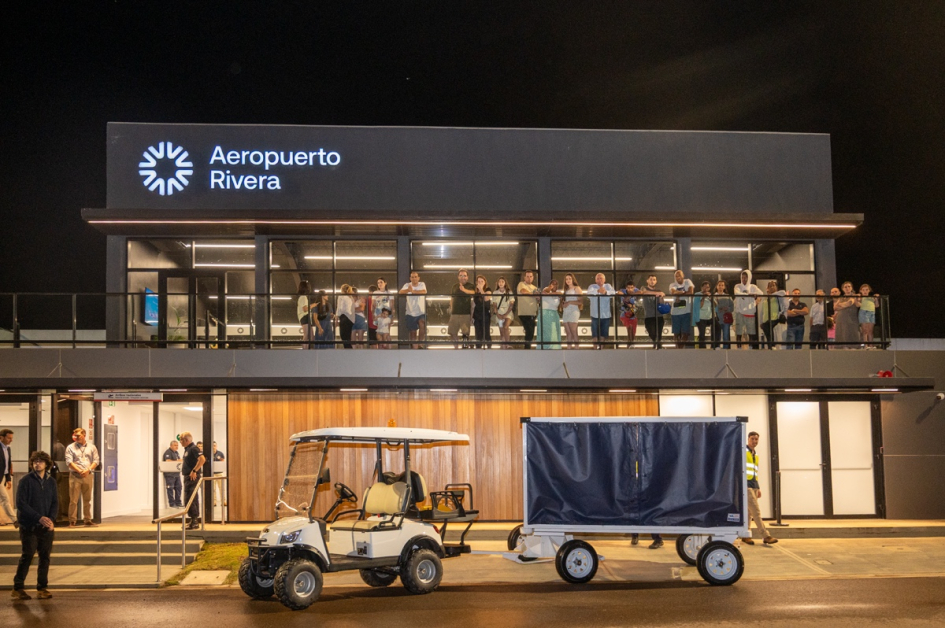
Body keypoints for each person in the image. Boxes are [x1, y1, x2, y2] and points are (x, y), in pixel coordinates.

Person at [12, 450, 57, 601]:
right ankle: (18, 588)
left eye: (40, 461)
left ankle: (42, 588)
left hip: (46, 527)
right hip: (29, 525)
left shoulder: (51, 482)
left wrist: (50, 520)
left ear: (46, 464)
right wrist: (39, 518)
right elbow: (21, 504)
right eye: (35, 461)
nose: (37, 464)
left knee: (45, 557)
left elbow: (55, 503)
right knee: (28, 555)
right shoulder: (26, 481)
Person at [744, 431, 778, 546]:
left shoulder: (755, 454)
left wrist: (758, 487)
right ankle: (765, 535)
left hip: (753, 485)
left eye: (756, 439)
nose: (755, 441)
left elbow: (755, 472)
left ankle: (746, 535)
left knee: (749, 512)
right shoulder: (743, 451)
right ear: (748, 439)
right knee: (756, 511)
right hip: (746, 485)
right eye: (752, 439)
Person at [65, 427, 99, 527]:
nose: (76, 437)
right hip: (75, 475)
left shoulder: (92, 447)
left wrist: (88, 470)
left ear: (84, 435)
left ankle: (87, 519)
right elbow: (69, 462)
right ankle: (72, 520)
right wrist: (79, 471)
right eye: (75, 436)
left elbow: (96, 461)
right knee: (73, 500)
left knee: (87, 499)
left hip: (88, 475)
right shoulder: (70, 447)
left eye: (79, 435)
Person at [179, 432, 205, 530]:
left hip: (192, 477)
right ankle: (192, 519)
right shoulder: (187, 449)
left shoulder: (193, 448)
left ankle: (194, 521)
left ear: (186, 440)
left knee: (191, 498)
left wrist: (194, 470)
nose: (180, 442)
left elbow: (202, 459)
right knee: (189, 498)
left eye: (181, 440)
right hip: (187, 477)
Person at [734, 270, 762, 349]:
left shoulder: (753, 287)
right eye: (742, 278)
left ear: (749, 278)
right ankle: (739, 348)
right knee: (739, 333)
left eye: (746, 278)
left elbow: (761, 293)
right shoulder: (738, 286)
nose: (744, 279)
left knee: (751, 333)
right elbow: (737, 293)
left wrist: (755, 295)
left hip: (750, 312)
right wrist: (749, 295)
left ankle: (751, 348)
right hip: (739, 312)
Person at [586, 273, 615, 349]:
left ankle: (601, 348)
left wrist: (605, 292)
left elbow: (613, 293)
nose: (599, 280)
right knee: (594, 333)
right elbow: (588, 294)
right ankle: (595, 348)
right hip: (595, 314)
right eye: (598, 278)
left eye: (601, 278)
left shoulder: (608, 286)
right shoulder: (592, 286)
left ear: (604, 280)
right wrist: (598, 291)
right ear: (595, 280)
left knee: (604, 333)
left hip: (606, 314)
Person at [449, 269, 476, 348]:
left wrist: (464, 290)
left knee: (465, 333)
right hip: (454, 313)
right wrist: (451, 308)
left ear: (467, 277)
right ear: (458, 277)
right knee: (451, 332)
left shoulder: (470, 285)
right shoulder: (454, 286)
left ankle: (466, 347)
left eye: (464, 275)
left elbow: (473, 293)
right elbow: (452, 298)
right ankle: (456, 348)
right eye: (461, 275)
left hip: (465, 313)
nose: (462, 277)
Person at [400, 272, 427, 349]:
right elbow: (401, 292)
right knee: (413, 332)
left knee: (422, 324)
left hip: (421, 311)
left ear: (418, 278)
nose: (414, 278)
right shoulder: (407, 285)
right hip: (410, 313)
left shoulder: (422, 284)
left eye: (415, 277)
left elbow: (424, 292)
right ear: (410, 278)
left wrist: (413, 291)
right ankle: (414, 348)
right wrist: (408, 290)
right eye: (412, 277)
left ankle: (420, 343)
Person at [669, 270, 695, 348]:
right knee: (676, 333)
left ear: (683, 275)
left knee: (686, 332)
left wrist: (679, 293)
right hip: (675, 312)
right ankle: (677, 348)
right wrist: (683, 293)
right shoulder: (672, 284)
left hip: (686, 311)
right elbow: (673, 292)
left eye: (679, 275)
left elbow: (691, 292)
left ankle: (681, 348)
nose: (678, 277)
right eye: (676, 276)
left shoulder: (688, 282)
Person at [639, 274, 665, 348]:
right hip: (649, 316)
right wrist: (657, 293)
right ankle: (656, 346)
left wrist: (660, 297)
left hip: (659, 316)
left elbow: (661, 303)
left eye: (654, 280)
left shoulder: (659, 291)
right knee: (652, 333)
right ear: (647, 281)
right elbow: (644, 292)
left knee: (659, 336)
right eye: (650, 279)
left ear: (656, 281)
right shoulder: (644, 288)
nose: (652, 281)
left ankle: (657, 349)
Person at [517, 270, 540, 349]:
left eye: (530, 276)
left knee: (531, 332)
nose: (529, 278)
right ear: (524, 277)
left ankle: (528, 348)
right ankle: (527, 349)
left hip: (532, 313)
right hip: (523, 313)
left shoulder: (535, 288)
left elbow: (538, 298)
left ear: (533, 278)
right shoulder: (521, 284)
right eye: (527, 276)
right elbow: (523, 291)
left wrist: (538, 297)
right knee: (529, 331)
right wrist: (534, 294)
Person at [759, 280, 786, 350]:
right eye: (770, 286)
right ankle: (770, 346)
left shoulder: (778, 296)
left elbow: (783, 293)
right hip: (766, 319)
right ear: (767, 288)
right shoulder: (765, 298)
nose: (772, 287)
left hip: (775, 318)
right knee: (766, 328)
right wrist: (760, 321)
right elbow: (762, 311)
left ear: (776, 287)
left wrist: (772, 294)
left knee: (769, 326)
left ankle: (772, 345)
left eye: (773, 285)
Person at [833, 281, 859, 349]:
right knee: (842, 332)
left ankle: (852, 346)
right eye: (845, 287)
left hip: (851, 318)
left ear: (851, 288)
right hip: (841, 318)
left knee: (852, 331)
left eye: (849, 286)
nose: (847, 288)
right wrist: (843, 305)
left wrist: (841, 305)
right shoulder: (841, 297)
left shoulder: (854, 296)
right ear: (843, 289)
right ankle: (843, 346)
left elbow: (849, 303)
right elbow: (835, 307)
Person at [492, 276, 515, 348]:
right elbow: (494, 305)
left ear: (505, 283)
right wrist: (497, 314)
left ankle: (508, 343)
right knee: (501, 330)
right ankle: (503, 345)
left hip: (508, 313)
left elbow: (511, 304)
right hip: (499, 313)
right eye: (499, 282)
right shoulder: (495, 292)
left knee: (506, 326)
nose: (501, 283)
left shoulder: (509, 292)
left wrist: (506, 314)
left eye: (502, 281)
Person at [0, 429, 17, 527]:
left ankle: (14, 520)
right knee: (5, 499)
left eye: (11, 438)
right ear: (1, 437)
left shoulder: (8, 448)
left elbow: (7, 464)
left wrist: (8, 479)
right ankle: (15, 519)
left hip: (3, 477)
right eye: (9, 438)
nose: (11, 440)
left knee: (4, 499)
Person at [539, 279, 561, 349]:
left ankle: (554, 347)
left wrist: (549, 294)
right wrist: (549, 289)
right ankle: (545, 347)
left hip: (554, 314)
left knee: (553, 331)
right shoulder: (546, 289)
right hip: (545, 314)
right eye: (552, 284)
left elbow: (560, 294)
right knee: (545, 331)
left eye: (555, 284)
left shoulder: (558, 292)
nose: (554, 285)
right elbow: (544, 292)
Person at [472, 274, 493, 349]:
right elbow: (473, 305)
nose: (480, 282)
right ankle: (478, 346)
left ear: (485, 282)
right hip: (477, 315)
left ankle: (488, 346)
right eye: (479, 281)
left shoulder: (488, 290)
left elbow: (486, 299)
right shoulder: (475, 292)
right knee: (478, 332)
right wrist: (471, 316)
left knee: (486, 332)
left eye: (482, 281)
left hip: (485, 314)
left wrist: (481, 289)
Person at [372, 277, 393, 347]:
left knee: (387, 332)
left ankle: (389, 348)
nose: (379, 284)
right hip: (378, 312)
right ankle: (381, 349)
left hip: (387, 312)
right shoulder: (375, 293)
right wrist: (373, 314)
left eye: (381, 282)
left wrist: (392, 316)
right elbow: (373, 304)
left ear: (385, 283)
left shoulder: (389, 293)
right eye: (378, 283)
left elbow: (392, 305)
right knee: (379, 331)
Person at [691, 281, 713, 349]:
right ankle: (702, 347)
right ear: (702, 287)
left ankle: (714, 345)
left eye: (708, 287)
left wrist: (711, 298)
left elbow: (715, 305)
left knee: (717, 327)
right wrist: (703, 297)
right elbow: (699, 306)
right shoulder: (697, 294)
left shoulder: (710, 295)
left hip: (709, 316)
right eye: (705, 287)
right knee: (702, 333)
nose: (706, 288)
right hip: (700, 317)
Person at [617, 279, 638, 348]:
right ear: (626, 288)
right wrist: (626, 295)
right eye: (628, 287)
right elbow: (618, 292)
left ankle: (631, 343)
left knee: (633, 330)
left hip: (633, 315)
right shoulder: (623, 291)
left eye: (631, 287)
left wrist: (633, 294)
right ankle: (630, 343)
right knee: (629, 327)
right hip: (624, 314)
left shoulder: (636, 290)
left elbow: (641, 292)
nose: (630, 289)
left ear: (634, 287)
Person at [713, 280, 734, 349]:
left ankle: (726, 350)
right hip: (717, 320)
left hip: (726, 320)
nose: (720, 287)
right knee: (717, 336)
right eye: (719, 285)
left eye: (722, 285)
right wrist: (719, 309)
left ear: (724, 287)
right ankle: (717, 349)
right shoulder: (713, 296)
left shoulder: (728, 297)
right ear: (716, 286)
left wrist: (726, 309)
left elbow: (732, 307)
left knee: (726, 336)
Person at [162, 440, 182, 509]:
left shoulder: (176, 452)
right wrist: (177, 461)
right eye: (175, 445)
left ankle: (178, 502)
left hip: (176, 474)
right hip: (170, 475)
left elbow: (180, 460)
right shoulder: (168, 452)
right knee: (170, 489)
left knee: (179, 488)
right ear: (171, 446)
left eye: (177, 445)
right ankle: (172, 503)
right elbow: (168, 461)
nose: (177, 447)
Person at [336, 284, 357, 349]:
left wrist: (337, 317)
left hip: (344, 317)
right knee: (347, 337)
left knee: (343, 336)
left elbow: (339, 308)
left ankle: (348, 350)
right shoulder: (351, 297)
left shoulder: (341, 297)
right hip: (350, 319)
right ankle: (349, 351)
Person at [857, 283, 878, 348]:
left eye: (866, 290)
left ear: (869, 291)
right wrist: (858, 297)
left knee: (870, 330)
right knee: (865, 330)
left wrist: (876, 298)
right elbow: (858, 303)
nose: (865, 291)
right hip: (864, 312)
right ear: (861, 291)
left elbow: (877, 305)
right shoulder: (861, 297)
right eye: (863, 290)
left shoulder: (872, 298)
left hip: (871, 313)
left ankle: (871, 345)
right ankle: (866, 345)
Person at [297, 280, 313, 349]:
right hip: (305, 316)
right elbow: (305, 309)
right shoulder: (303, 297)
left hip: (305, 317)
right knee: (307, 335)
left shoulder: (302, 297)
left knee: (310, 336)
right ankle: (305, 349)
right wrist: (312, 306)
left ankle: (307, 349)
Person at [212, 441, 226, 508]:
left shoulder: (220, 453)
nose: (213, 447)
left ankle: (223, 501)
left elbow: (223, 462)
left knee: (222, 488)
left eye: (214, 445)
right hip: (212, 474)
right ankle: (213, 501)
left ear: (216, 446)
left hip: (220, 473)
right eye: (212, 445)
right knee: (213, 489)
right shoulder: (209, 454)